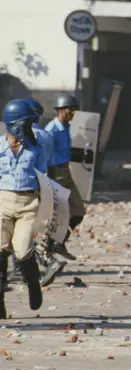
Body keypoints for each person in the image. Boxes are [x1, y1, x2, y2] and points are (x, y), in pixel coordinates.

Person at [0, 99, 49, 319]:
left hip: (28, 204)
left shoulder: (36, 148)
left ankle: (33, 282)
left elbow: (44, 178)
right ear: (15, 124)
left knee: (22, 251)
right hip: (3, 201)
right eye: (28, 123)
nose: (30, 127)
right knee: (0, 250)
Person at [23, 99, 67, 286]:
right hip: (44, 184)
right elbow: (51, 165)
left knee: (24, 232)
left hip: (23, 189)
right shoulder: (47, 135)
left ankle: (46, 262)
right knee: (36, 229)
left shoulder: (19, 137)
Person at [44, 94, 86, 261]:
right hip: (55, 174)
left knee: (78, 212)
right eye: (70, 110)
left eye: (74, 110)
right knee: (56, 215)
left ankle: (58, 243)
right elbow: (45, 155)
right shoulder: (51, 130)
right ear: (60, 110)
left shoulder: (67, 126)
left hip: (65, 172)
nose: (72, 113)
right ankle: (46, 252)